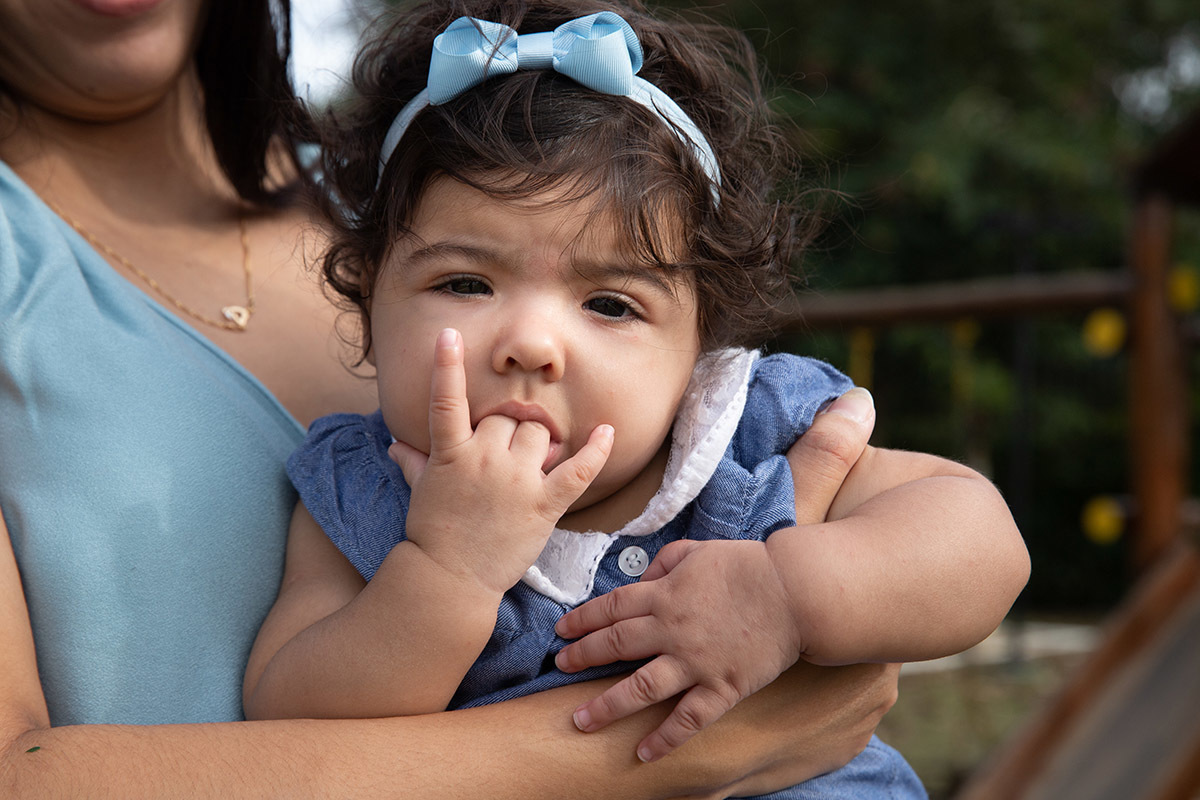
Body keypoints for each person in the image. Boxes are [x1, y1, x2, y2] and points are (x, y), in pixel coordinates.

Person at [0, 0, 989, 796]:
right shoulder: (371, 490)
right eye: (466, 285)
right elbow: (291, 699)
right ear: (364, 292)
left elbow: (975, 535)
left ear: (701, 336)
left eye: (610, 301)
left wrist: (796, 593)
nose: (528, 341)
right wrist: (444, 573)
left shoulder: (741, 428)